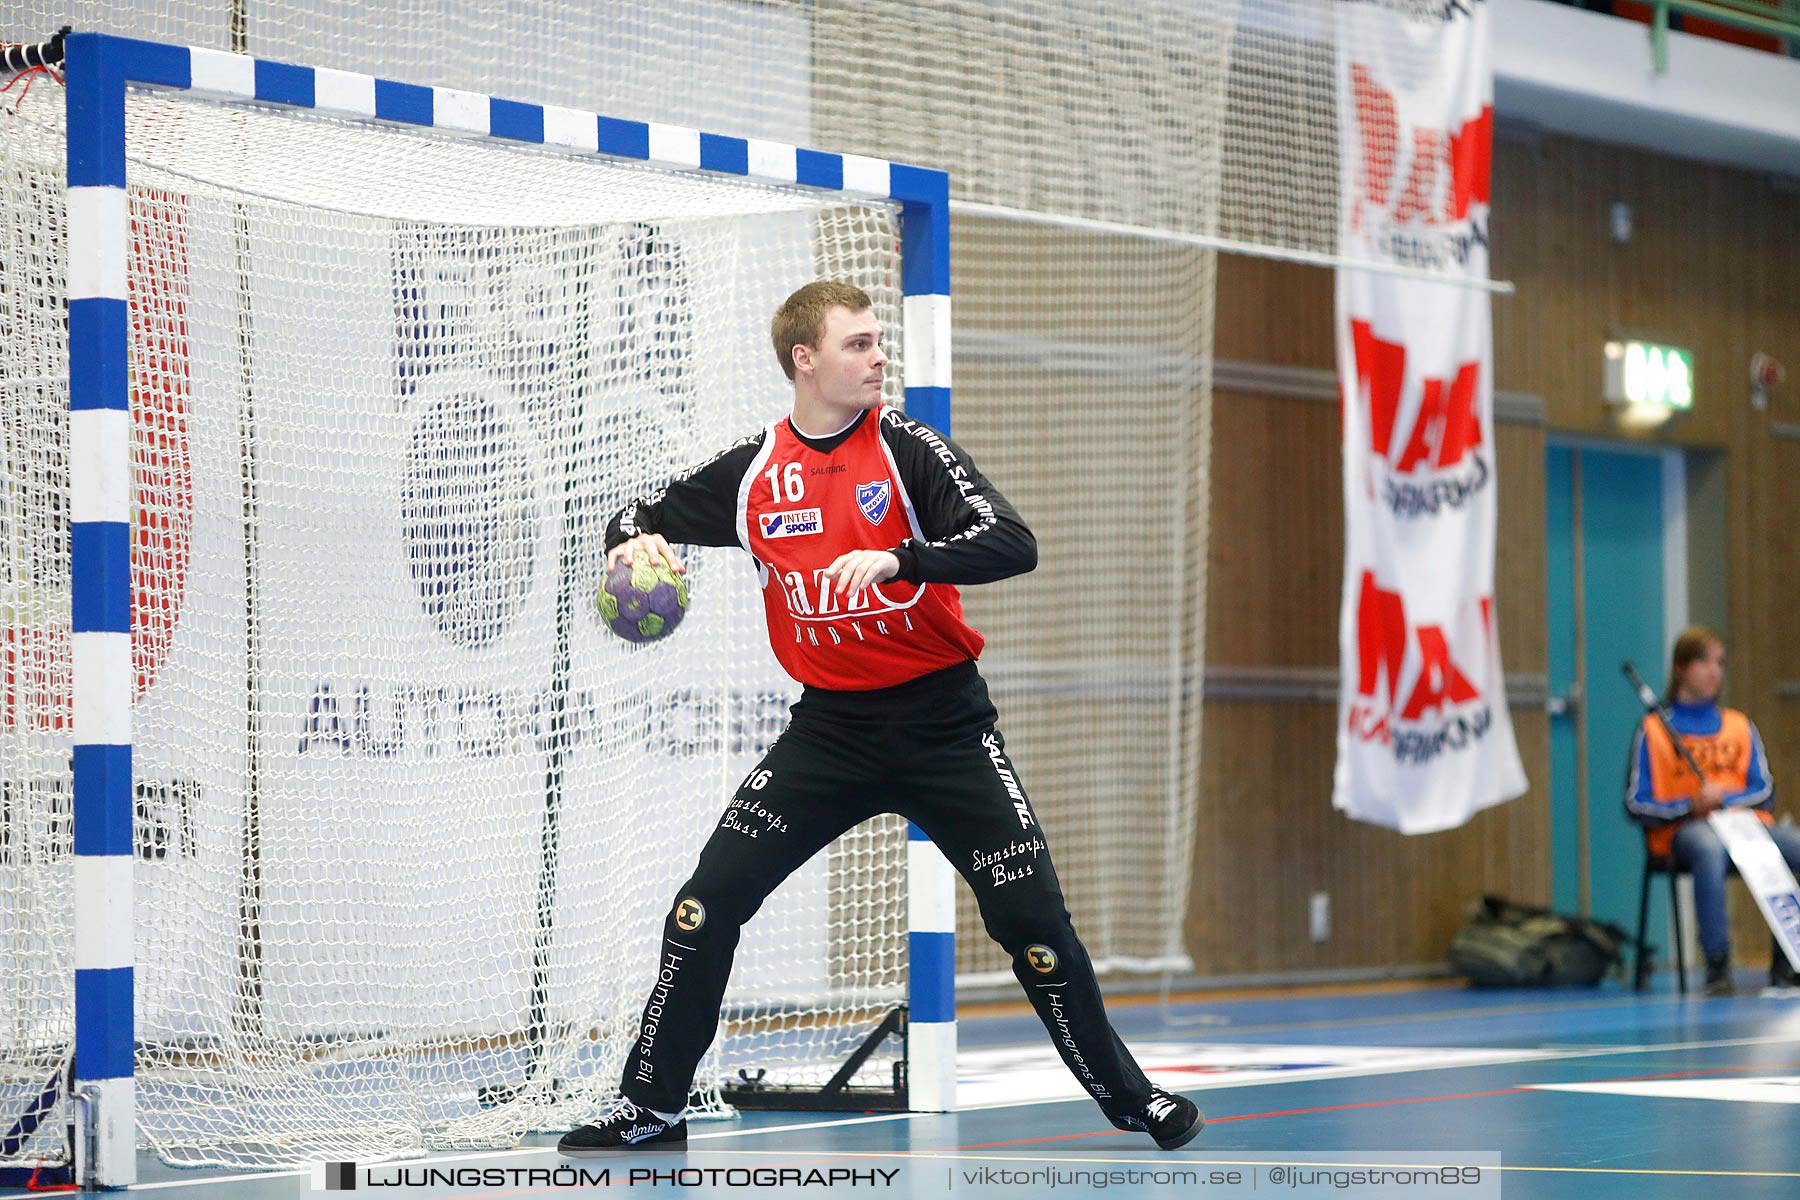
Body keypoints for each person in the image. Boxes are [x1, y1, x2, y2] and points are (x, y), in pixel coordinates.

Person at [558, 281, 1202, 1154]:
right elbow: (637, 512)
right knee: (703, 908)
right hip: (829, 735)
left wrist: (901, 558)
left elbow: (1013, 542)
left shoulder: (908, 447)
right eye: (857, 344)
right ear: (805, 360)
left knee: (1035, 928)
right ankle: (652, 1108)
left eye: (877, 341)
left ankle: (1136, 1101)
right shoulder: (753, 472)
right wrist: (628, 542)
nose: (877, 356)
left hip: (945, 729)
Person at [1625, 627, 1800, 995]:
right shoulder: (1654, 730)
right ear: (1680, 669)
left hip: (1746, 825)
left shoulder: (1739, 725)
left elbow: (1764, 791)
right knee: (1709, 848)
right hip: (1685, 832)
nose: (1714, 671)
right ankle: (1717, 966)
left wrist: (1726, 800)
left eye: (1719, 663)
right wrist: (1692, 805)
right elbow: (1636, 804)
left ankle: (1790, 960)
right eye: (1704, 662)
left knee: (1793, 843)